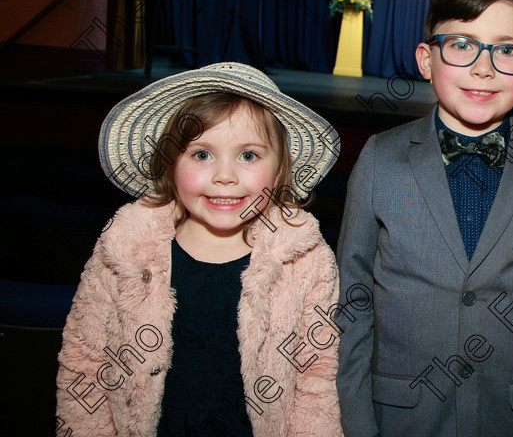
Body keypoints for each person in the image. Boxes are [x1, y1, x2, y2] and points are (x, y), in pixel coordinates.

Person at [336, 0, 513, 437]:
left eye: (508, 50)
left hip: (510, 418)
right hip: (402, 415)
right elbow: (353, 302)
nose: (483, 67)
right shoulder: (379, 159)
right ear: (427, 59)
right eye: (462, 45)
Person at [55, 63, 344, 436]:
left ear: (279, 170)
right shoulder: (125, 247)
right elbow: (85, 363)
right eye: (202, 155)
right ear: (170, 163)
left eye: (249, 156)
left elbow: (315, 378)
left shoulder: (306, 257)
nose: (225, 176)